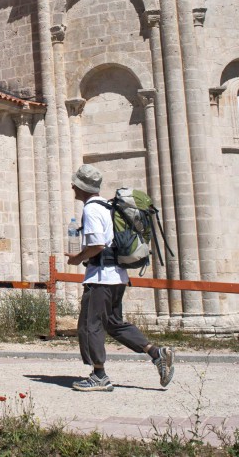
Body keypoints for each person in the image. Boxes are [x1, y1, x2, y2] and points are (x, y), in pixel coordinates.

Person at [65, 164, 175, 392]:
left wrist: (77, 259)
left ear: (82, 187)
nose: (73, 186)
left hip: (101, 278)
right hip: (118, 277)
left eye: (75, 183)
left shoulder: (92, 210)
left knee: (90, 324)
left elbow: (96, 245)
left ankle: (99, 375)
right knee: (114, 324)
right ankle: (157, 353)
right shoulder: (108, 206)